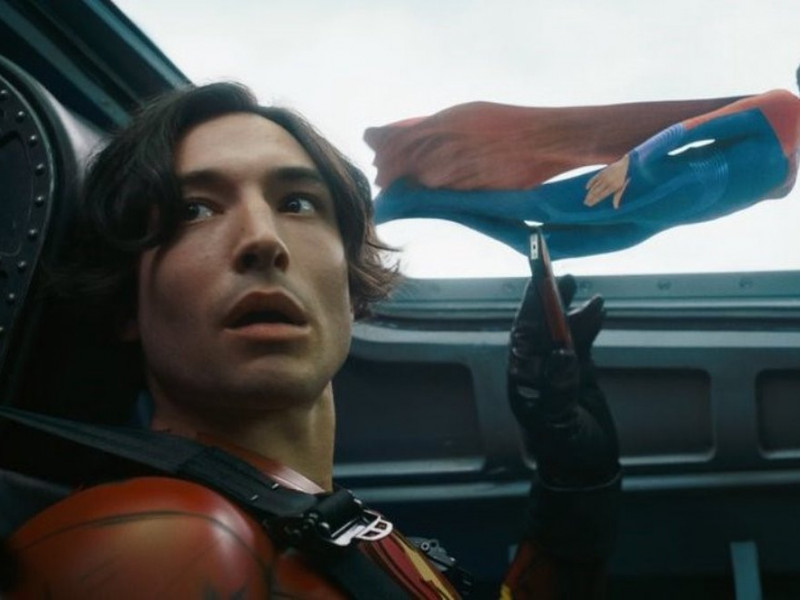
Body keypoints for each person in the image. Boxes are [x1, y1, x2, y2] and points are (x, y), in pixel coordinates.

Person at [0, 82, 619, 598]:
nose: (263, 240)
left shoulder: (325, 523)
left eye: (296, 203)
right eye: (195, 210)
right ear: (126, 301)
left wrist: (573, 479)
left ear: (351, 286)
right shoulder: (167, 543)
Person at [365, 88, 800, 259]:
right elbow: (692, 129)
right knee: (540, 207)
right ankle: (412, 198)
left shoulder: (789, 168)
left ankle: (421, 202)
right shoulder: (787, 107)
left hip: (659, 219)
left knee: (543, 247)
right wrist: (630, 164)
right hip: (652, 184)